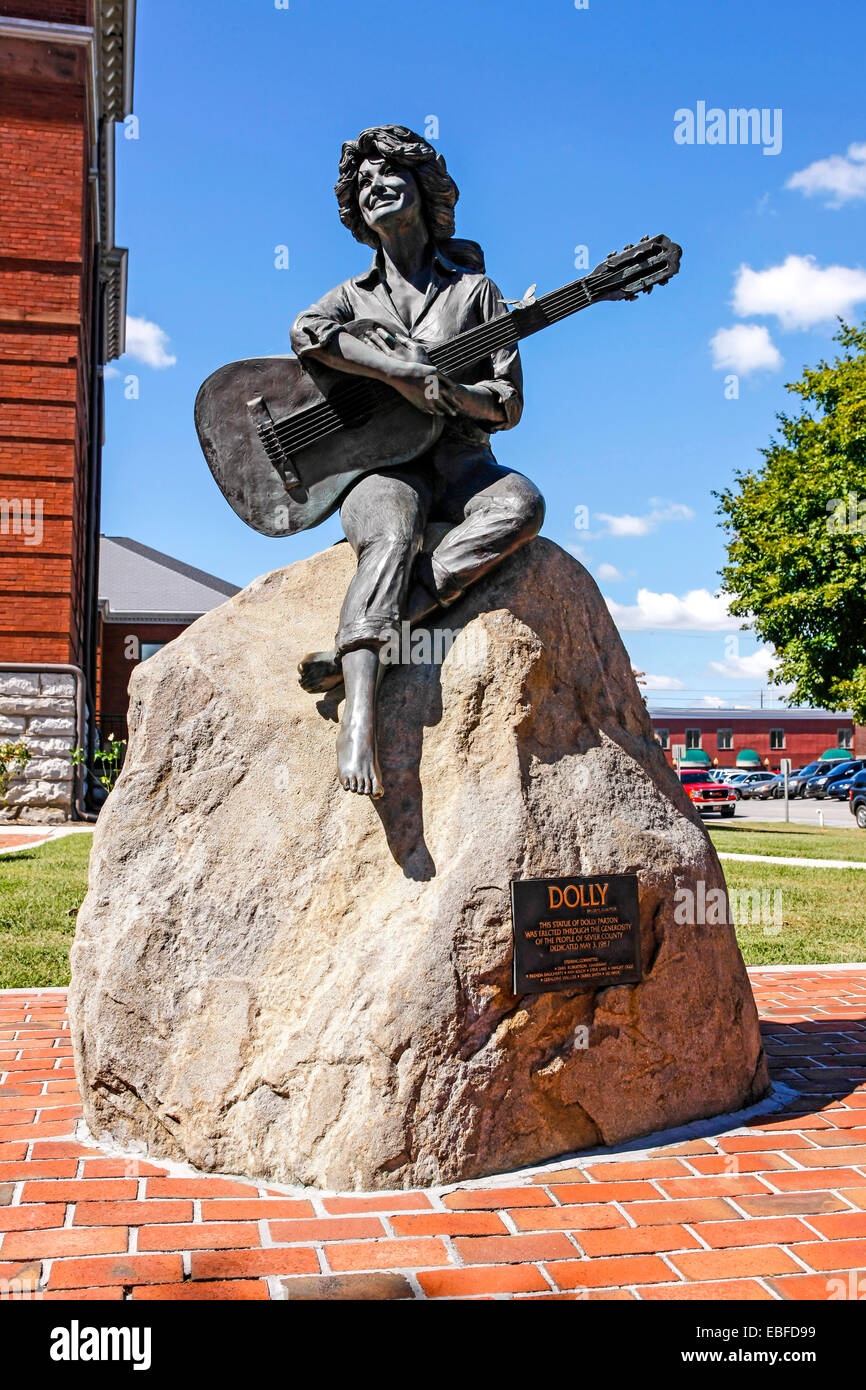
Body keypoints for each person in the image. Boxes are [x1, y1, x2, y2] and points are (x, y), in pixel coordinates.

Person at [290, 126, 544, 799]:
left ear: (424, 190)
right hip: (380, 467)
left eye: (388, 174)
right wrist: (394, 369)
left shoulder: (476, 293)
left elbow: (508, 403)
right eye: (361, 182)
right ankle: (361, 718)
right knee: (393, 534)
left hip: (460, 460)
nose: (374, 187)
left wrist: (449, 393)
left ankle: (375, 642)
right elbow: (306, 333)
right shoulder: (352, 297)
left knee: (520, 506)